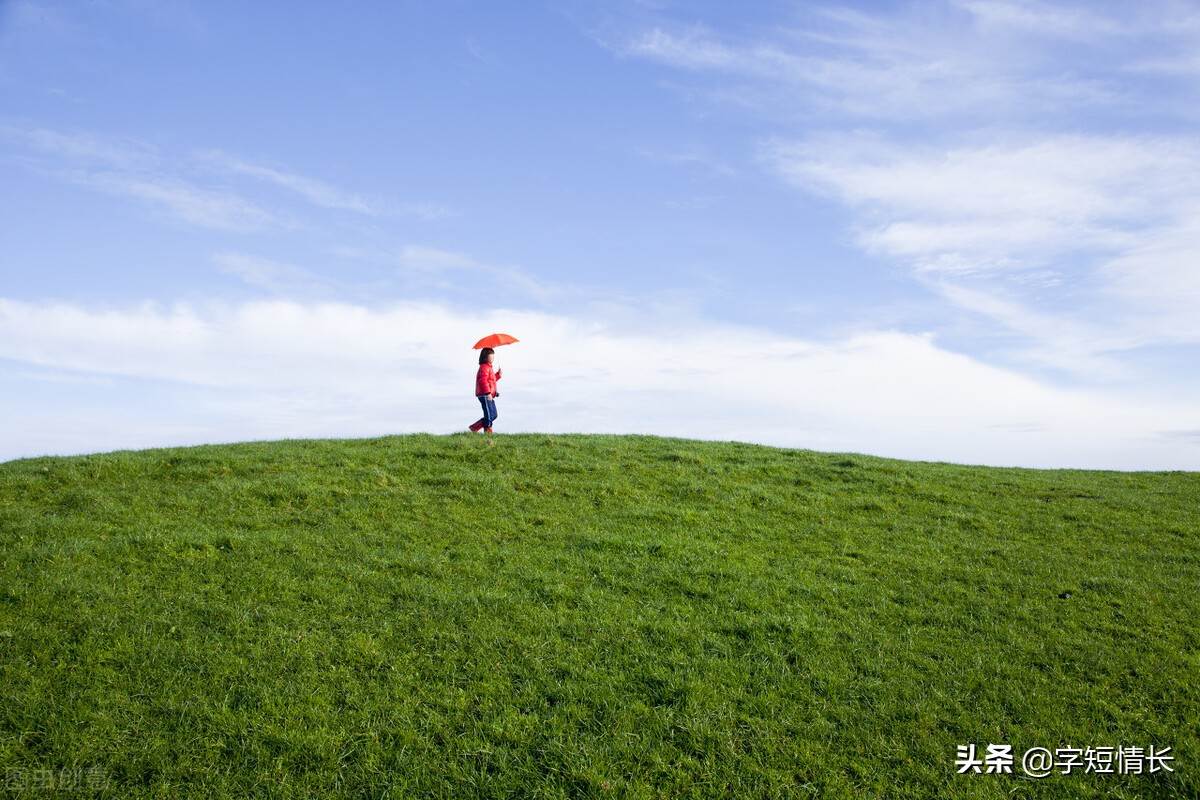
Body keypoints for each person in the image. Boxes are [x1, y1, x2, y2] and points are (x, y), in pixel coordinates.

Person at [469, 347, 502, 443]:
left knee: (494, 415)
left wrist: (498, 375)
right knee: (488, 415)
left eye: (493, 355)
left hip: (489, 395)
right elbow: (483, 381)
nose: (492, 357)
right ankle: (488, 435)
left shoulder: (489, 367)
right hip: (484, 394)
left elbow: (491, 381)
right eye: (490, 355)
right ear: (485, 356)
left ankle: (474, 427)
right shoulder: (484, 367)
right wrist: (488, 393)